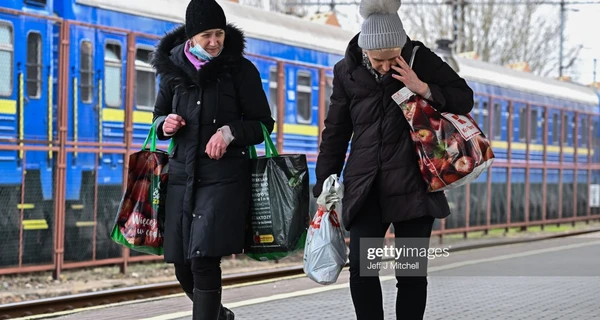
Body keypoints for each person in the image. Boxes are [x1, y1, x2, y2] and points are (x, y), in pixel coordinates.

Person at [313, 0, 474, 319]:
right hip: (366, 187)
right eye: (379, 59)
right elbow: (336, 129)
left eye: (392, 58)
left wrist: (423, 87)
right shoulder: (347, 71)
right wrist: (325, 183)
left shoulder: (421, 59)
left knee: (411, 273)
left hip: (415, 185)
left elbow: (464, 98)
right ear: (364, 51)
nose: (386, 66)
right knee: (363, 270)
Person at [151, 0, 274, 319]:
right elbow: (158, 116)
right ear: (191, 36)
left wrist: (230, 132)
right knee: (183, 266)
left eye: (219, 33)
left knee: (205, 259)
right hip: (181, 177)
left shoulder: (241, 70)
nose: (215, 41)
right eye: (207, 35)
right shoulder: (172, 71)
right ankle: (221, 316)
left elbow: (263, 123)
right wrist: (165, 125)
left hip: (224, 180)